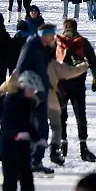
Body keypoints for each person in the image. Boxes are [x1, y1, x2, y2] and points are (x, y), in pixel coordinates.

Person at [0, 70, 47, 191]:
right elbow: (6, 126)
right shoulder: (11, 101)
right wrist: (16, 135)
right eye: (31, 89)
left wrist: (38, 138)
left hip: (23, 150)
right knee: (10, 185)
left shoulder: (27, 103)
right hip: (9, 150)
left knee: (28, 184)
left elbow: (28, 125)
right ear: (24, 86)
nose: (33, 92)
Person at [57, 19, 96, 164]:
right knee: (80, 115)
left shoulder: (58, 42)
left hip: (61, 85)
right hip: (78, 84)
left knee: (61, 115)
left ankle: (62, 144)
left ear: (64, 27)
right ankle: (83, 147)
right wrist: (95, 80)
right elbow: (93, 62)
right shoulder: (82, 42)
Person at [17, 23, 56, 175]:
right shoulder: (31, 46)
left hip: (41, 94)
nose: (53, 38)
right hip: (32, 95)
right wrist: (27, 91)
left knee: (41, 128)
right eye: (52, 35)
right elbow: (21, 68)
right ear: (44, 35)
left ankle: (36, 160)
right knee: (37, 127)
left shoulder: (42, 47)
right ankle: (31, 160)